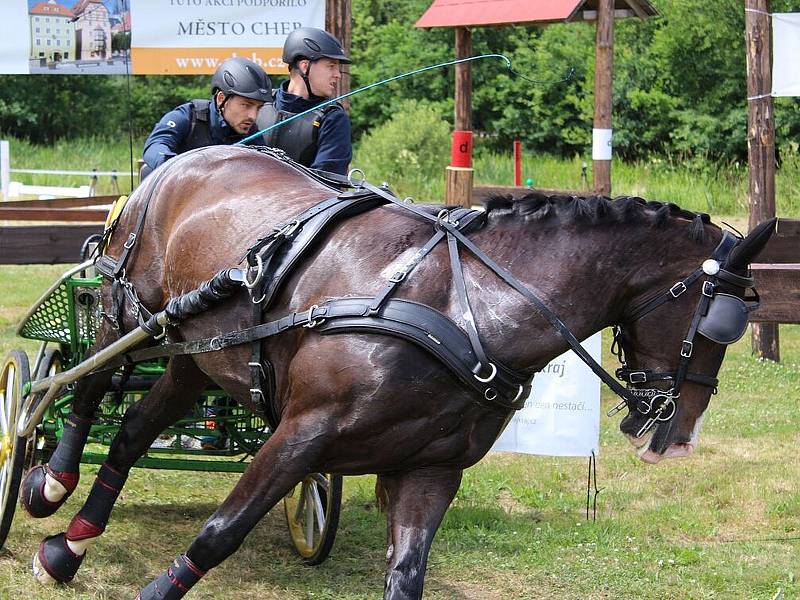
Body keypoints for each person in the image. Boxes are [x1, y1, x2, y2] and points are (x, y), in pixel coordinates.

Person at [141, 57, 272, 179]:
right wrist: (178, 168)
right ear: (221, 99)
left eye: (259, 108)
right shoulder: (187, 117)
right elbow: (155, 146)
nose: (253, 116)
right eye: (246, 105)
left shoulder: (252, 133)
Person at [256, 27, 352, 175]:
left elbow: (327, 185)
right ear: (305, 66)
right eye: (331, 66)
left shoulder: (333, 118)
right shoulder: (259, 104)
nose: (337, 75)